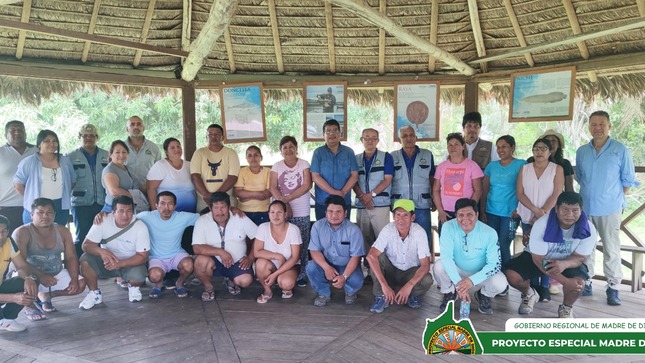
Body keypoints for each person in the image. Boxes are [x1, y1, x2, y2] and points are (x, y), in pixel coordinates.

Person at [576, 110, 639, 305]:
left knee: (611, 248)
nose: (598, 128)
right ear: (589, 127)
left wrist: (614, 197)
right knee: (586, 247)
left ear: (609, 126)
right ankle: (586, 281)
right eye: (594, 124)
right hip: (586, 207)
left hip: (610, 208)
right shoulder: (582, 151)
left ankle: (613, 287)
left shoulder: (620, 149)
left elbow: (627, 180)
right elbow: (580, 177)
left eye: (602, 124)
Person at [505, 192, 597, 318]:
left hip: (567, 260)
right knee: (512, 275)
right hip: (538, 257)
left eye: (575, 210)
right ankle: (529, 293)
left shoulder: (588, 228)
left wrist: (564, 264)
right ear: (556, 209)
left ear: (581, 211)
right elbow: (538, 259)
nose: (570, 215)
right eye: (565, 209)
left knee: (578, 283)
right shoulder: (542, 224)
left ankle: (566, 308)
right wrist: (565, 281)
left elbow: (580, 257)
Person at [11, 198, 85, 321]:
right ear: (32, 214)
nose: (45, 216)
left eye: (49, 212)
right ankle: (29, 306)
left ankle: (46, 295)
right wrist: (41, 276)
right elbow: (20, 264)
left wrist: (73, 279)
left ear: (54, 215)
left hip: (54, 273)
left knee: (80, 284)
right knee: (20, 279)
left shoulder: (63, 231)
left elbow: (71, 257)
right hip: (30, 275)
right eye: (40, 212)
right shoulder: (22, 232)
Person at [433, 198, 507, 315]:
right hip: (457, 271)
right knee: (439, 266)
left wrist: (471, 280)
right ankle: (450, 292)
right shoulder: (448, 227)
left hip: (480, 273)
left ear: (477, 215)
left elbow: (494, 264)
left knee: (501, 283)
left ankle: (483, 295)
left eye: (470, 214)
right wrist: (459, 284)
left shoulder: (489, 232)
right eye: (461, 215)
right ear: (456, 216)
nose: (465, 219)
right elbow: (447, 258)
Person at [78, 195, 150, 309]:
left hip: (129, 263)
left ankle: (133, 288)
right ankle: (94, 293)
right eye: (121, 211)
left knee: (140, 274)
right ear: (113, 212)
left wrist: (120, 264)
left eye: (129, 211)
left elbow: (143, 256)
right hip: (107, 262)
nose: (125, 215)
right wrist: (101, 251)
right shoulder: (103, 220)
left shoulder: (140, 227)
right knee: (85, 259)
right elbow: (86, 245)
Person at [516, 138, 564, 302]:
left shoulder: (557, 169)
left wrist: (542, 212)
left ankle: (545, 286)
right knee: (531, 249)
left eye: (543, 148)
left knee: (547, 251)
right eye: (536, 148)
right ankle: (533, 285)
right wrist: (535, 211)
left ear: (550, 152)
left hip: (549, 216)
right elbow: (520, 193)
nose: (539, 151)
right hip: (528, 215)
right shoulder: (525, 168)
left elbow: (557, 192)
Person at [366, 199, 433, 313]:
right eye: (398, 214)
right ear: (393, 216)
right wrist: (384, 285)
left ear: (412, 217)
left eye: (405, 215)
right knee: (377, 257)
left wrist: (409, 285)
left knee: (427, 279)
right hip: (391, 270)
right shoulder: (388, 229)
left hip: (409, 273)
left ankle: (411, 294)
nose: (401, 219)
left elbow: (425, 265)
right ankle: (381, 295)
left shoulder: (419, 232)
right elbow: (370, 256)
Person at [192, 192, 257, 302]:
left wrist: (250, 258)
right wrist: (220, 252)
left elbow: (258, 238)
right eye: (216, 208)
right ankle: (208, 288)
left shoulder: (239, 217)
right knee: (200, 262)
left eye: (223, 207)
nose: (219, 211)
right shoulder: (202, 221)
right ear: (210, 208)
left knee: (245, 281)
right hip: (215, 261)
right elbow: (196, 247)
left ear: (229, 207)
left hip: (237, 261)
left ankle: (230, 280)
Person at [136, 191, 197, 299]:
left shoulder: (182, 216)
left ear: (175, 206)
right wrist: (103, 215)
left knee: (189, 265)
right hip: (156, 257)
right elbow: (126, 219)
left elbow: (204, 217)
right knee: (154, 276)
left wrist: (232, 210)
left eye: (170, 204)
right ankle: (158, 285)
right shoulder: (147, 216)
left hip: (176, 254)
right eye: (162, 203)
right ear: (156, 206)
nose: (166, 207)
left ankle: (180, 283)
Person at [306, 195, 365, 307]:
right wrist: (326, 267)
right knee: (311, 267)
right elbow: (314, 251)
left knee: (357, 279)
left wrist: (345, 276)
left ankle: (350, 292)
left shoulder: (353, 230)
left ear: (345, 213)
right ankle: (323, 293)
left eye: (339, 212)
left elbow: (356, 257)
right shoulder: (317, 226)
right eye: (330, 211)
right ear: (325, 212)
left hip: (346, 266)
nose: (334, 215)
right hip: (326, 263)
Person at [269, 136, 312, 286]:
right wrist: (282, 203)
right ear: (281, 151)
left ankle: (302, 274)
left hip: (301, 209)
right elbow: (272, 187)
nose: (288, 150)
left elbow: (307, 185)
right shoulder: (277, 166)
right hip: (280, 211)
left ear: (296, 148)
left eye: (291, 146)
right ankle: (280, 272)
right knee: (282, 242)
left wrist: (286, 200)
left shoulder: (304, 164)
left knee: (302, 242)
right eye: (284, 147)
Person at [481, 135, 526, 269]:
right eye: (498, 147)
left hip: (511, 214)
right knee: (492, 244)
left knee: (504, 243)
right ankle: (492, 273)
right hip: (491, 212)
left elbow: (526, 189)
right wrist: (482, 209)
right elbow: (485, 189)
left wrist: (519, 209)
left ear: (512, 147)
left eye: (504, 146)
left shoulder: (521, 165)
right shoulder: (492, 166)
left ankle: (506, 275)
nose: (501, 150)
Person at [352, 128, 394, 274]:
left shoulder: (386, 157)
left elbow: (387, 179)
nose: (370, 141)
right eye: (367, 138)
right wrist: (364, 197)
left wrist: (371, 195)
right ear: (361, 139)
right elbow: (353, 181)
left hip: (380, 205)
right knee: (365, 239)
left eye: (373, 138)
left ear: (377, 140)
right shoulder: (356, 159)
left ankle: (384, 271)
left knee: (382, 239)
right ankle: (370, 271)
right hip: (362, 206)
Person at [14, 129, 76, 226]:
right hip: (37, 206)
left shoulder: (64, 160)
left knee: (57, 237)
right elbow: (18, 184)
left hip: (60, 205)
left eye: (54, 141)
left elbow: (72, 181)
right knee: (35, 237)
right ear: (39, 144)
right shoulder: (29, 162)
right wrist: (30, 198)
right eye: (47, 141)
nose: (52, 144)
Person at [66, 124, 109, 259]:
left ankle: (100, 266)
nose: (88, 138)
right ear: (80, 137)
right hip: (80, 204)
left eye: (92, 135)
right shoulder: (70, 157)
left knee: (103, 236)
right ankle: (80, 266)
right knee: (82, 236)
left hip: (102, 203)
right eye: (85, 135)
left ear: (97, 137)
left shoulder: (106, 155)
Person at [390, 125, 435, 253]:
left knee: (424, 235)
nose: (408, 138)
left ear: (416, 138)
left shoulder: (427, 154)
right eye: (405, 136)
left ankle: (423, 266)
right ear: (399, 139)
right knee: (401, 236)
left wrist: (435, 200)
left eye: (411, 135)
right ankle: (404, 266)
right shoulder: (392, 156)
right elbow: (388, 181)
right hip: (401, 204)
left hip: (422, 203)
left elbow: (432, 178)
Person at [433, 132, 483, 234]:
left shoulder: (472, 165)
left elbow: (478, 190)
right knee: (447, 244)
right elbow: (435, 190)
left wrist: (469, 211)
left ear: (463, 146)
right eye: (450, 145)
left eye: (456, 144)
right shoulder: (442, 167)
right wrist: (440, 211)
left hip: (465, 213)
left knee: (466, 244)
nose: (453, 147)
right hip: (446, 212)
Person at [253, 200, 302, 303]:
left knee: (286, 283)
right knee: (260, 264)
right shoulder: (263, 227)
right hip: (271, 263)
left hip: (289, 265)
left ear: (285, 214)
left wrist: (274, 275)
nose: (275, 215)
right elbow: (257, 252)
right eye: (272, 212)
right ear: (268, 214)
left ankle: (283, 285)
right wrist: (277, 256)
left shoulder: (293, 229)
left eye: (279, 212)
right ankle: (267, 290)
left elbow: (295, 258)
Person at [310, 119, 359, 220]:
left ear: (340, 133)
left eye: (335, 130)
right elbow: (315, 177)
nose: (331, 134)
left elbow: (354, 176)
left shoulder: (349, 152)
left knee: (344, 233)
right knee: (322, 232)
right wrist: (334, 192)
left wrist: (342, 193)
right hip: (323, 202)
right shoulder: (318, 153)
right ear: (323, 134)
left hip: (343, 201)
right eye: (328, 131)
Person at [190, 124, 240, 212]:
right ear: (206, 137)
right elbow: (195, 176)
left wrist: (216, 197)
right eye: (210, 134)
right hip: (204, 200)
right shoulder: (199, 153)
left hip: (225, 199)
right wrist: (206, 195)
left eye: (217, 134)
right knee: (205, 224)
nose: (214, 137)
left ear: (223, 137)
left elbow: (233, 177)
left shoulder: (231, 153)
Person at [0, 214, 36, 332]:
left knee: (27, 283)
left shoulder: (8, 242)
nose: (1, 236)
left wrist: (28, 278)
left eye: (4, 231)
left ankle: (7, 320)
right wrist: (13, 298)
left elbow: (22, 265)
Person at [0, 120, 36, 235]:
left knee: (32, 244)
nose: (17, 133)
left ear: (25, 134)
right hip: (6, 207)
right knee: (9, 246)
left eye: (20, 130)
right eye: (13, 131)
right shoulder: (1, 152)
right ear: (6, 135)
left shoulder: (38, 151)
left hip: (34, 207)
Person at [146, 137, 196, 212]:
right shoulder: (160, 165)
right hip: (167, 214)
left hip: (189, 213)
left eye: (178, 146)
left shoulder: (189, 165)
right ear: (166, 151)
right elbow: (151, 189)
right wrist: (155, 211)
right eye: (172, 148)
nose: (177, 149)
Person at [234, 145, 271, 225]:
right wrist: (257, 194)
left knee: (262, 237)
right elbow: (238, 193)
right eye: (249, 156)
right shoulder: (242, 171)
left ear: (261, 157)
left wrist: (246, 197)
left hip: (263, 211)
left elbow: (268, 193)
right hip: (243, 212)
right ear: (246, 158)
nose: (253, 158)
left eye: (256, 155)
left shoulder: (268, 171)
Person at [124, 115, 161, 193]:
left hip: (149, 191)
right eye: (132, 124)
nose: (136, 127)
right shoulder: (121, 149)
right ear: (127, 129)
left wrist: (148, 184)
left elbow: (159, 171)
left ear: (143, 128)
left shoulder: (154, 148)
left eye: (139, 124)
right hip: (127, 192)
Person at [101, 140, 141, 213]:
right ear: (111, 154)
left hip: (128, 207)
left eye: (124, 152)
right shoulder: (110, 169)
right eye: (117, 152)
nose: (121, 155)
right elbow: (114, 191)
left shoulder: (128, 168)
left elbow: (137, 185)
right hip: (113, 209)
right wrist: (134, 197)